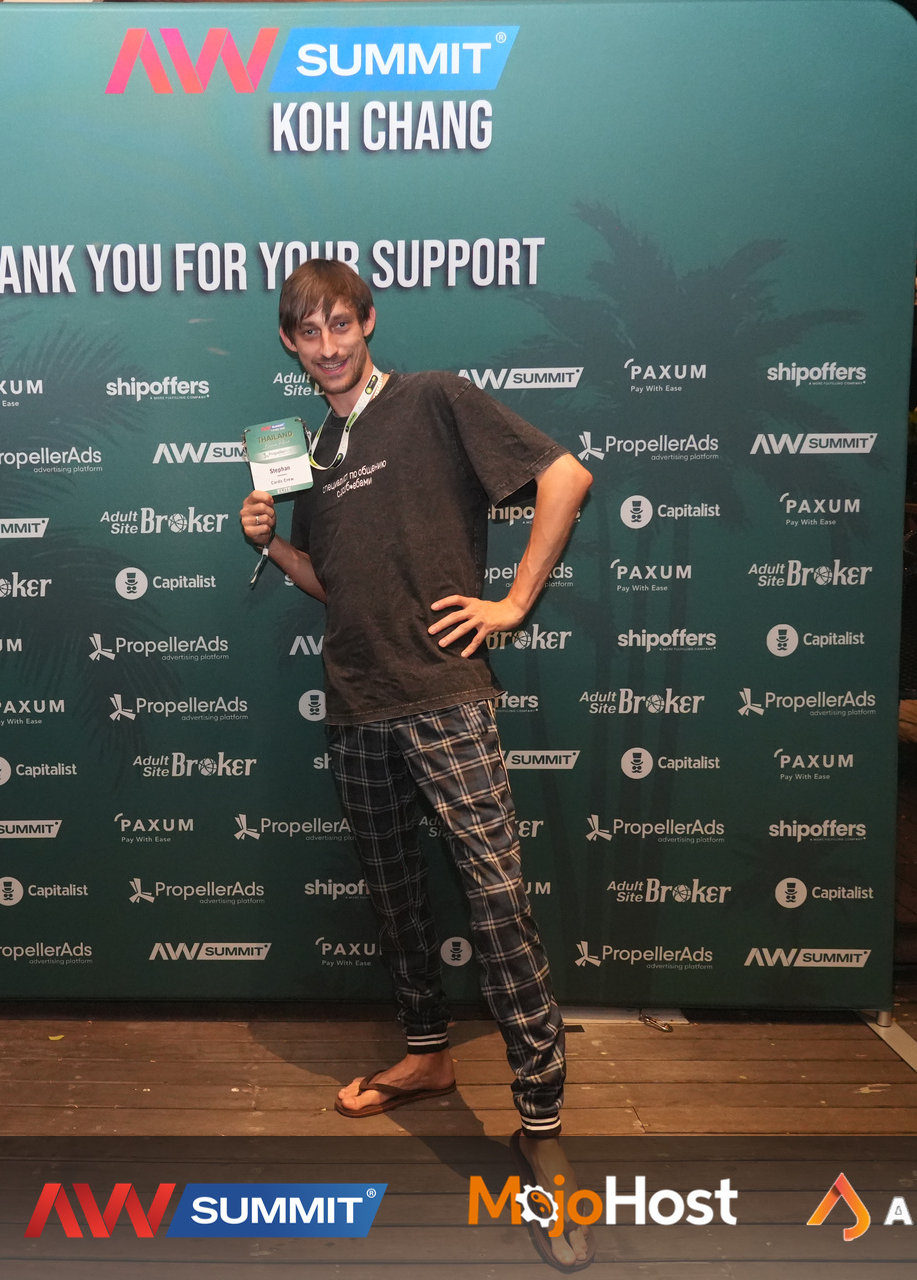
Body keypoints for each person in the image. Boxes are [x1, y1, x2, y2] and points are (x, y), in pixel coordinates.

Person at [240, 259, 594, 1270]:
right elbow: (336, 580)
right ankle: (429, 1054)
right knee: (395, 897)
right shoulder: (308, 450)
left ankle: (543, 1126)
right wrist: (270, 543)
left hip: (444, 695)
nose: (329, 345)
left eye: (341, 324)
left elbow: (566, 477)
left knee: (498, 902)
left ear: (367, 321)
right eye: (309, 331)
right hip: (356, 704)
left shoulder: (435, 398)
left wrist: (512, 603)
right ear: (290, 344)